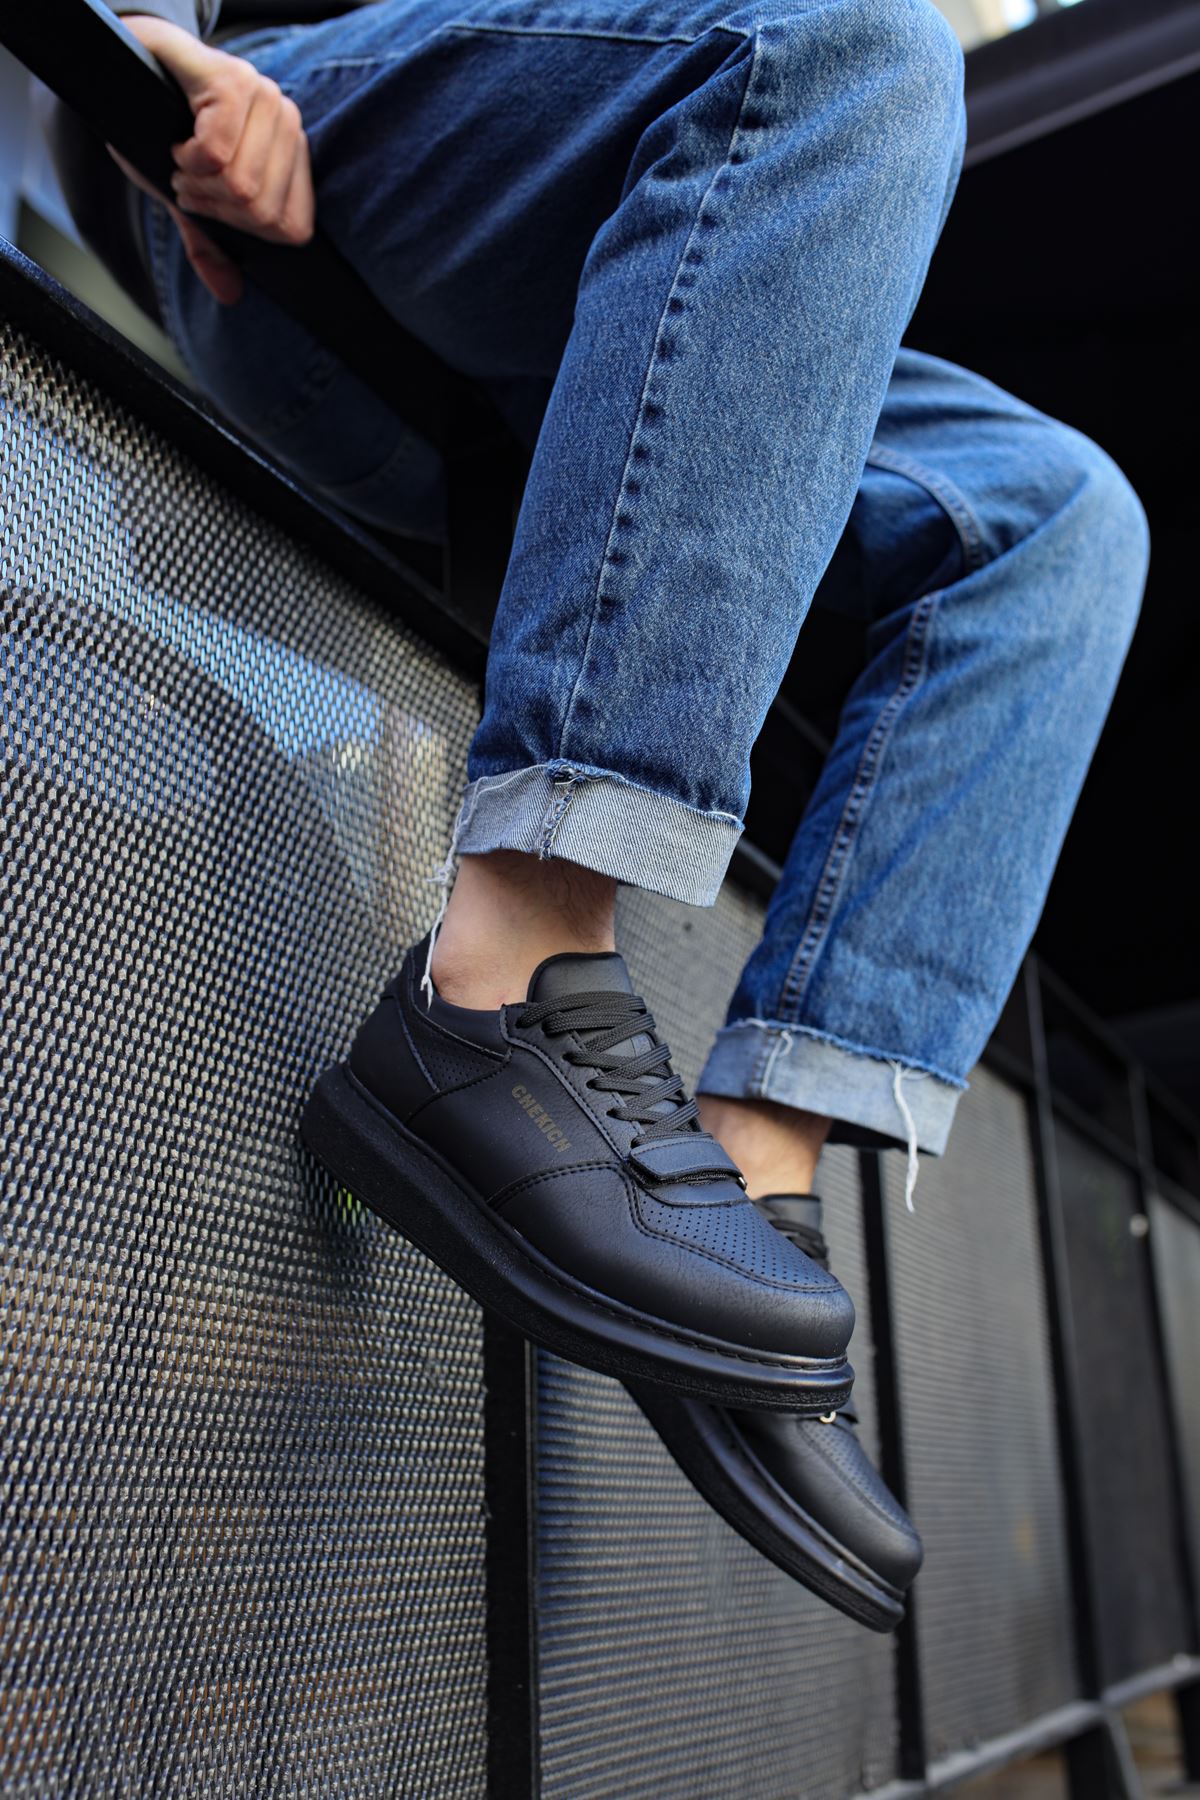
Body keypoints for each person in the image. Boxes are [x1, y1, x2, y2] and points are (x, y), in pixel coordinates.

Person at [47, 0, 1148, 1632]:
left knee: (1064, 523)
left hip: (598, 243)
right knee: (855, 44)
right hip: (283, 163)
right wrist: (140, 42)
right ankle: (508, 978)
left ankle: (755, 1162)